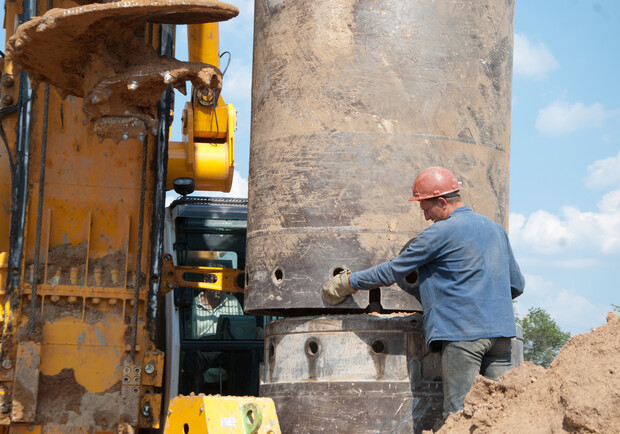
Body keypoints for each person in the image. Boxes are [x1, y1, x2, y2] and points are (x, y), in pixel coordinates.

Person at [322, 166, 525, 419]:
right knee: (502, 416)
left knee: (459, 416)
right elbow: (517, 285)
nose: (426, 217)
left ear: (442, 202)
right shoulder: (496, 230)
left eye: (426, 209)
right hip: (503, 337)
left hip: (463, 336)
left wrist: (348, 282)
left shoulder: (437, 234)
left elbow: (391, 272)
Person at [181, 289, 243, 394]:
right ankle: (194, 396)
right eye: (215, 281)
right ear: (206, 281)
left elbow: (242, 330)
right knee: (191, 358)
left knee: (245, 357)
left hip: (226, 350)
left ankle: (243, 397)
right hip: (201, 351)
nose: (220, 288)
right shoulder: (193, 304)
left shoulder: (233, 303)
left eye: (224, 284)